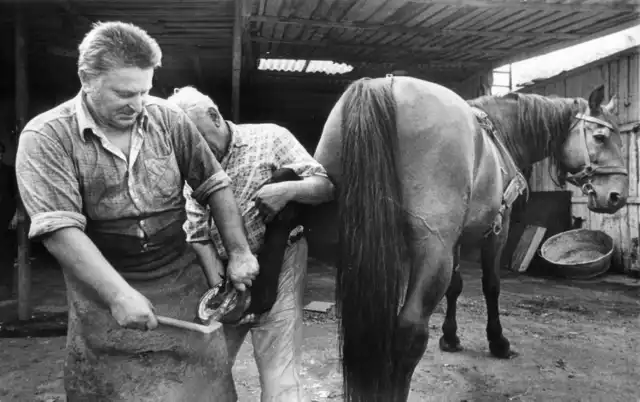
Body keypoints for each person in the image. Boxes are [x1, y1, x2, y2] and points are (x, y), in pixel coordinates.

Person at [15, 21, 259, 401]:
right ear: (86, 78)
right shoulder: (46, 137)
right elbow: (58, 229)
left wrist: (239, 250)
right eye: (124, 93)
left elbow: (215, 184)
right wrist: (116, 295)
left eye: (144, 91)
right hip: (101, 289)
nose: (137, 104)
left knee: (204, 392)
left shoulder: (168, 119)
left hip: (180, 281)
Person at [167, 86, 334, 402]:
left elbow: (324, 187)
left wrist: (285, 191)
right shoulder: (193, 165)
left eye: (198, 141)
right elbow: (199, 236)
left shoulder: (271, 138)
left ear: (214, 116)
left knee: (279, 377)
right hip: (227, 271)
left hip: (282, 261)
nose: (196, 154)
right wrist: (224, 292)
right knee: (208, 372)